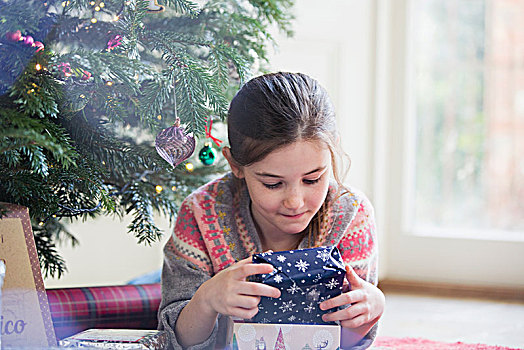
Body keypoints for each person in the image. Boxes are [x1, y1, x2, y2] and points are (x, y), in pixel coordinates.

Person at [158, 72, 385, 349]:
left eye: (313, 179)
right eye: (273, 183)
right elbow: (175, 340)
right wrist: (206, 299)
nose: (295, 201)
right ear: (235, 165)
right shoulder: (200, 213)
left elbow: (348, 343)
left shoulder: (350, 214)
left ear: (333, 149)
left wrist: (368, 313)